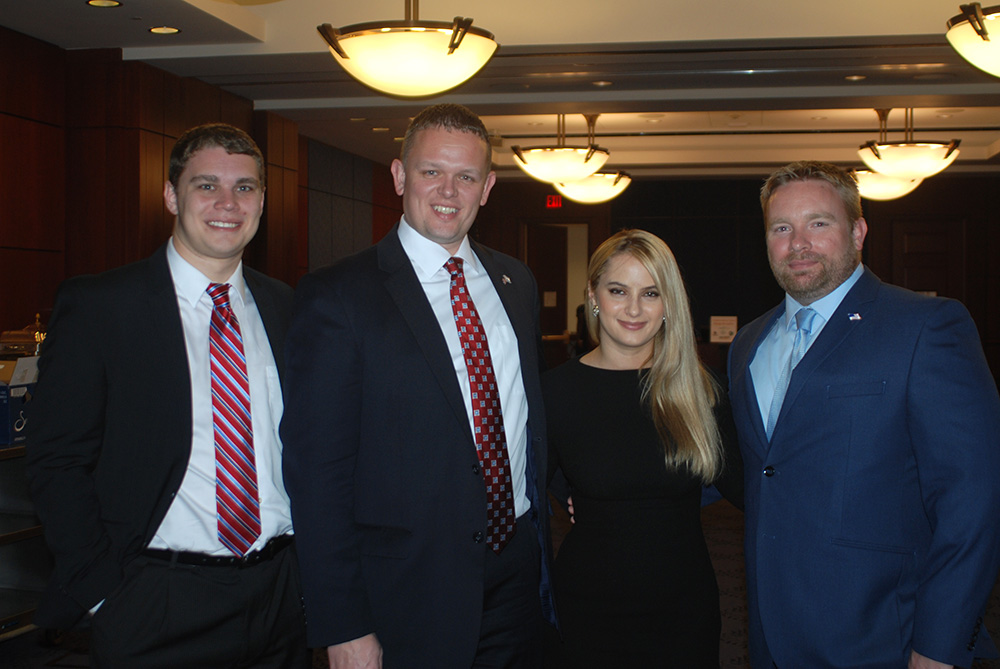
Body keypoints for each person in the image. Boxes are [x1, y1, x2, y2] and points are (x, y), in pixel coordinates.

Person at [281, 103, 554, 668]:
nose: (448, 191)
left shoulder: (515, 282)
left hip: (516, 575)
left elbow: (524, 416)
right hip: (405, 592)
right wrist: (343, 624)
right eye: (432, 171)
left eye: (466, 176)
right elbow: (317, 474)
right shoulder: (338, 296)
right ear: (400, 177)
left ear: (488, 187)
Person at [25, 123, 307, 667]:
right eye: (207, 186)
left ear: (263, 201)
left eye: (245, 188)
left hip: (279, 596)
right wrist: (104, 593)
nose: (228, 203)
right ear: (171, 195)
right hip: (155, 600)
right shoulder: (102, 308)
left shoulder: (288, 309)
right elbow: (57, 459)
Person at [727, 160, 1000, 668]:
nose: (799, 243)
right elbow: (758, 470)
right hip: (770, 632)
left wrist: (940, 646)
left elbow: (973, 500)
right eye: (781, 228)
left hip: (885, 637)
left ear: (857, 231)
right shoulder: (748, 344)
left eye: (819, 223)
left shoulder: (926, 328)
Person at [543, 229, 743, 667]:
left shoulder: (700, 390)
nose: (633, 309)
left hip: (684, 610)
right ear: (593, 296)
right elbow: (528, 485)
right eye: (618, 290)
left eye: (650, 293)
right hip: (588, 609)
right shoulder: (554, 392)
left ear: (669, 303)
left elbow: (750, 488)